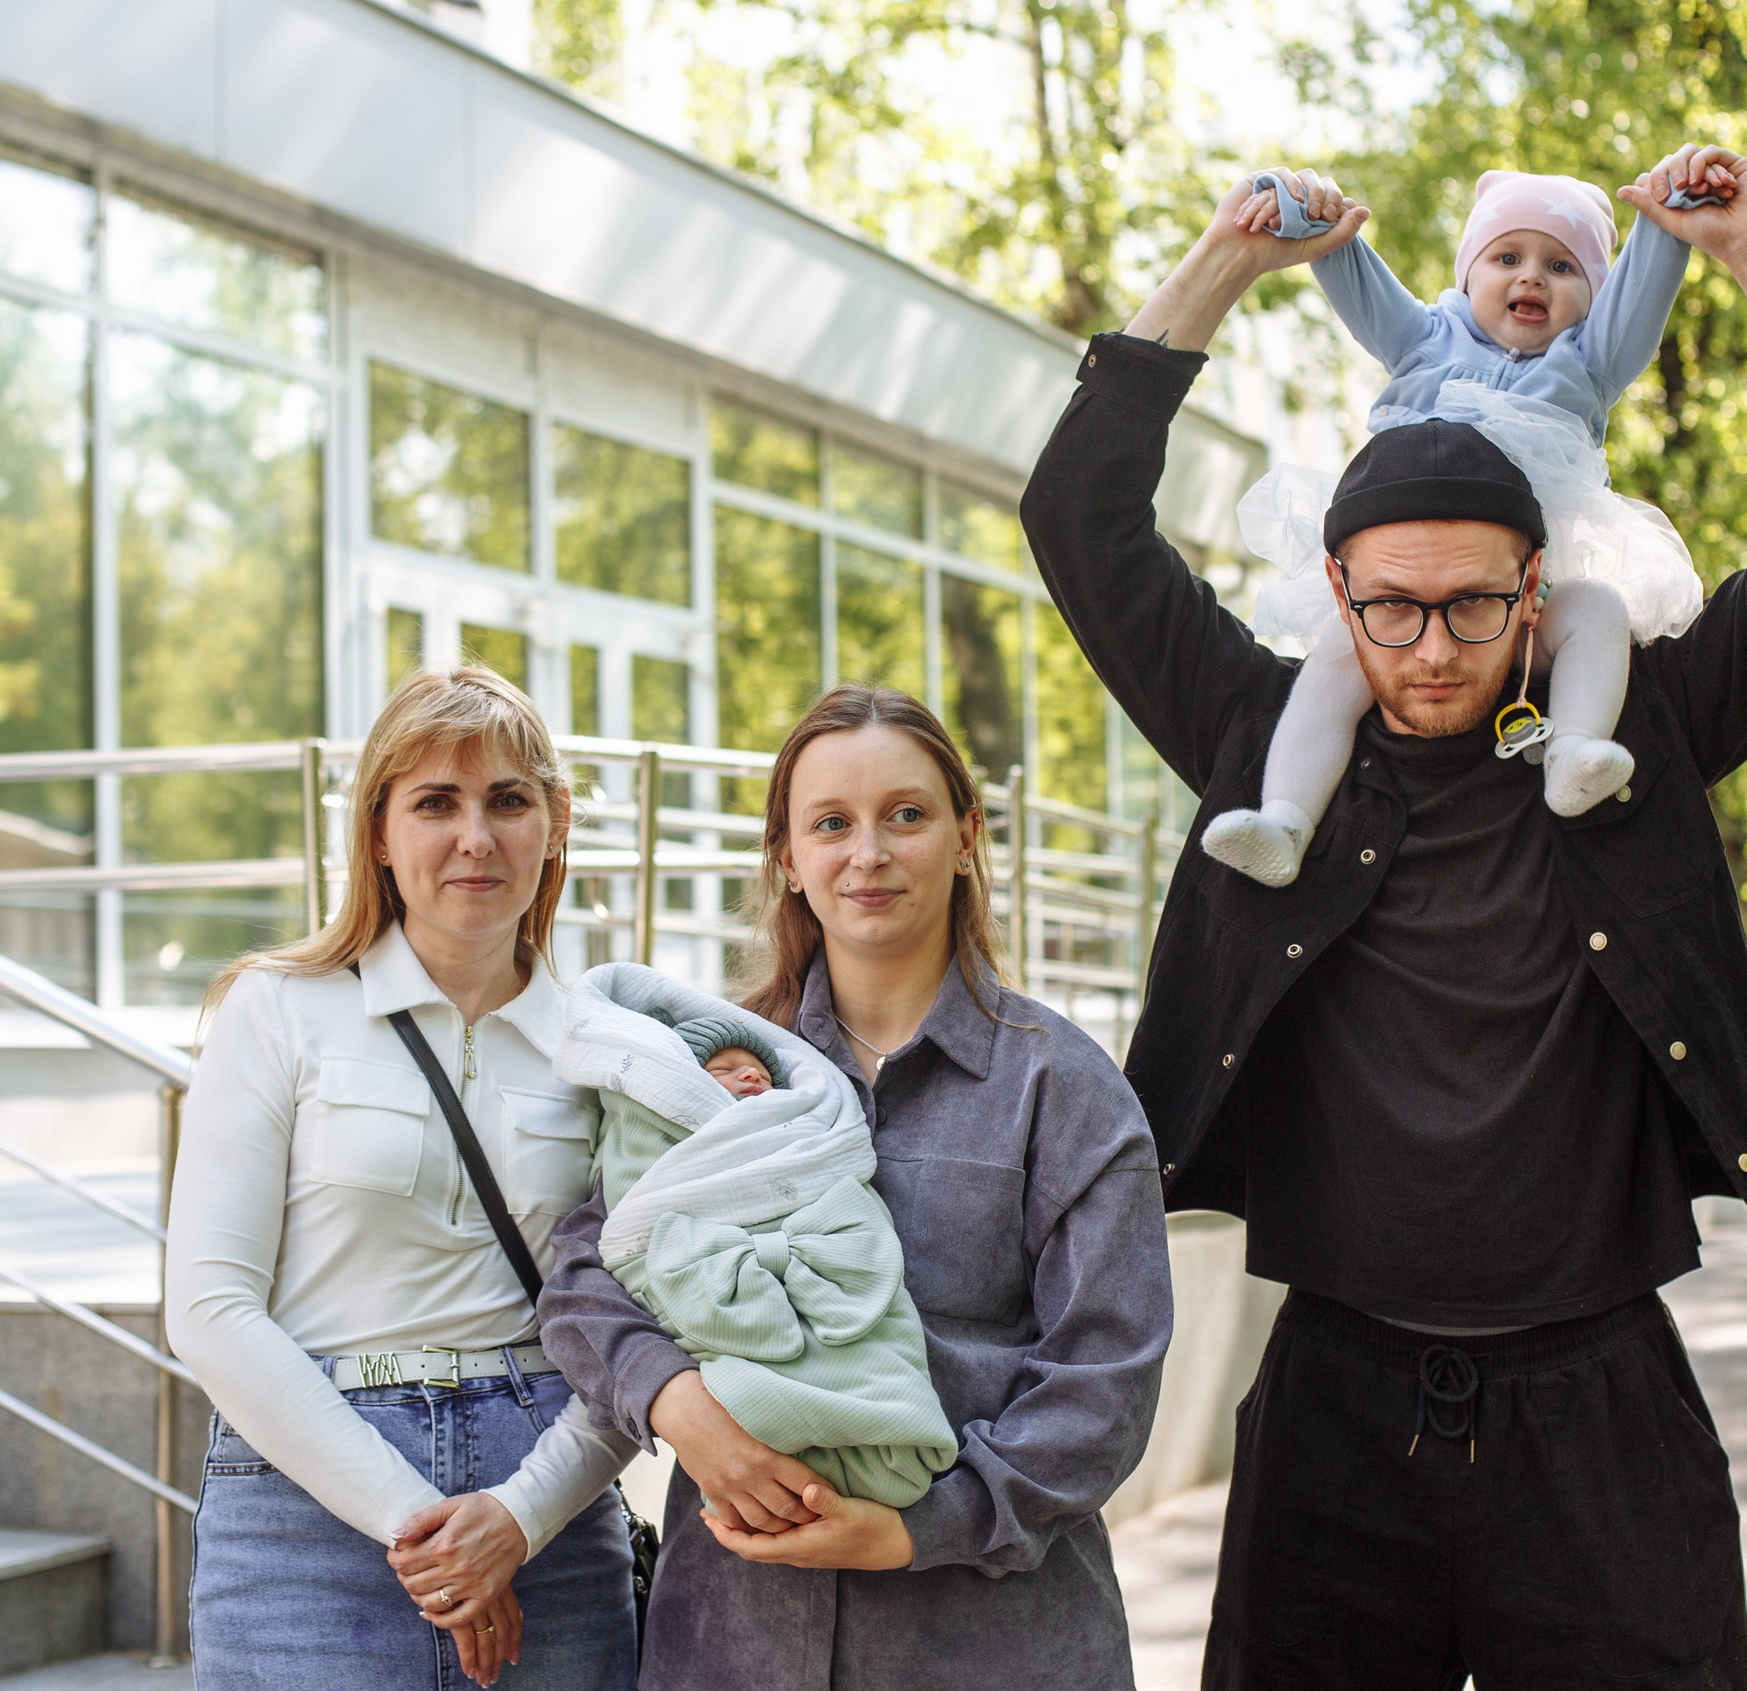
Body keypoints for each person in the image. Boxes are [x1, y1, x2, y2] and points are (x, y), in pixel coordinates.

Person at [1021, 145, 1747, 1687]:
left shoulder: (1636, 733)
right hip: (1336, 1408)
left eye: (1472, 606)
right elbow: (1081, 521)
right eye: (1388, 608)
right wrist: (1226, 264)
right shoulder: (1262, 742)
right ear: (1335, 589)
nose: (1429, 650)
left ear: (1540, 586)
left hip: (1602, 1404)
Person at [537, 685, 1175, 1690]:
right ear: (787, 859)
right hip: (732, 1641)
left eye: (905, 816)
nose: (867, 854)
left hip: (993, 1647)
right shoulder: (703, 1069)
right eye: (830, 823)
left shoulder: (1063, 1088)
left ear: (966, 837)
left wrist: (914, 1528)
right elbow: (584, 1272)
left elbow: (1108, 1378)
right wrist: (675, 1403)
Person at [168, 667, 639, 1690]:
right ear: (378, 830)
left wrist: (516, 1520)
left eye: (508, 800)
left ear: (555, 824)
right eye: (435, 802)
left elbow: (642, 1324)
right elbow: (208, 1307)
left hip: (548, 1516)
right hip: (306, 1521)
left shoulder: (613, 1051)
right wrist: (420, 1529)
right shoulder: (276, 1009)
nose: (475, 836)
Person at [1204, 154, 1738, 888]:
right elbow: (1356, 277)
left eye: (1562, 267)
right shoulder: (1424, 340)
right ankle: (1285, 820)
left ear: (1593, 297)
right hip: (1418, 588)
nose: (1531, 277)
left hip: (1528, 595)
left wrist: (1667, 220)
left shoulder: (1588, 363)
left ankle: (1575, 750)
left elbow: (1641, 299)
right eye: (1507, 256)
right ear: (1466, 276)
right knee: (1337, 657)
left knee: (1599, 612)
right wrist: (1311, 218)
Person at [552, 962, 959, 1508]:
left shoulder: (813, 1126)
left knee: (877, 1357)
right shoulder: (651, 1146)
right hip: (725, 1542)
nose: (751, 1077)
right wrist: (676, 1401)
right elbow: (581, 1283)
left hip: (836, 1284)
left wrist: (927, 1531)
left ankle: (879, 1426)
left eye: (760, 1071)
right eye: (724, 1069)